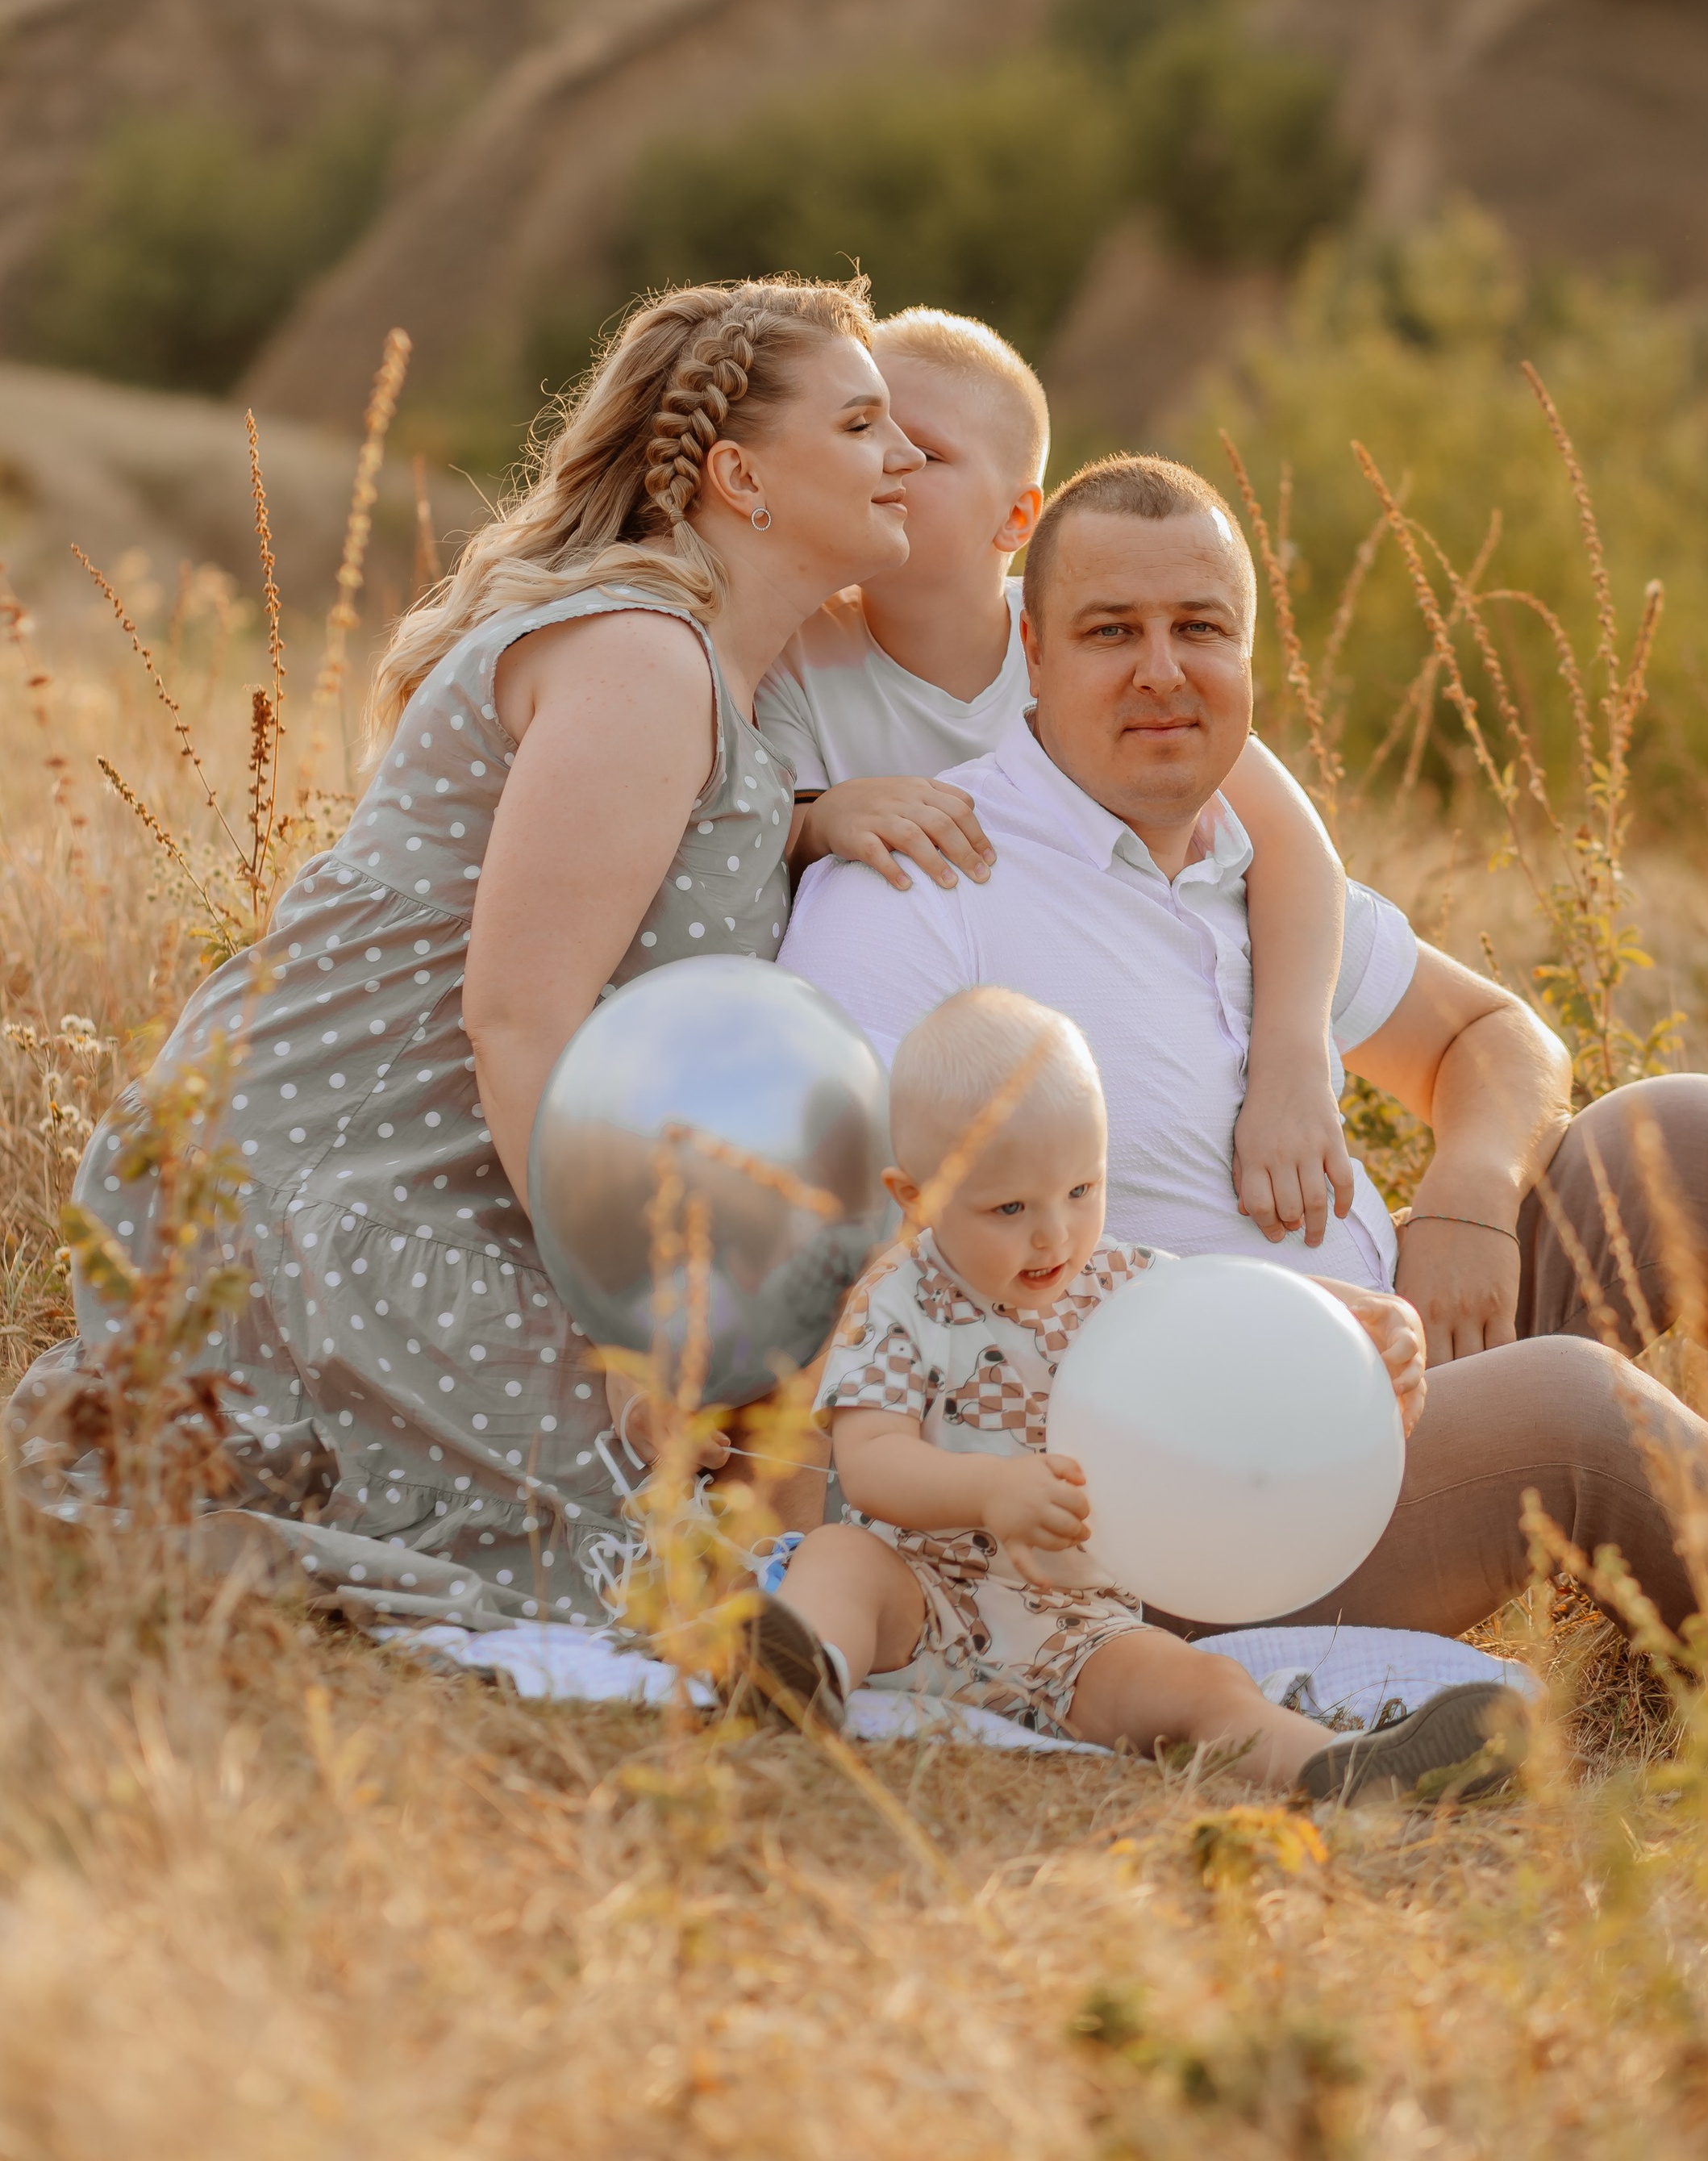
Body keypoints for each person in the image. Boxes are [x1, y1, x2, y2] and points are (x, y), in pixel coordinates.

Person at [780, 451, 1708, 1722]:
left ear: (1250, 656)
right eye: (1112, 631)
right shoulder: (925, 881)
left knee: (1695, 1137)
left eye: (1201, 629)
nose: (1163, 671)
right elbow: (856, 1244)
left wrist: (1464, 1194)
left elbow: (1497, 1039)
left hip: (1393, 1379)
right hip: (1173, 1505)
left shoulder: (1252, 872)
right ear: (1033, 654)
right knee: (1571, 1403)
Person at [13, 276, 923, 1629]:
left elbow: (640, 871)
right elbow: (520, 1014)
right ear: (741, 475)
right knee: (651, 1559)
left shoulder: (724, 682)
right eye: (863, 425)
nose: (903, 457)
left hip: (465, 1182)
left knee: (800, 1499)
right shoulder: (643, 656)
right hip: (325, 1183)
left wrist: (801, 825)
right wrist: (619, 1324)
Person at [750, 987, 1526, 1804]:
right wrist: (990, 1489)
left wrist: (1366, 1318)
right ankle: (800, 1674)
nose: (1054, 1234)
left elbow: (1243, 1301)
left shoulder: (1120, 1282)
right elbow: (869, 1464)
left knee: (1206, 1687)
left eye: (1081, 1191)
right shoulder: (897, 1298)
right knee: (836, 1561)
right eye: (1010, 1208)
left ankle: (1347, 1768)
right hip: (915, 1599)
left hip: (1078, 1635)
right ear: (915, 1199)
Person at [757, 307, 1371, 1255]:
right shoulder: (801, 650)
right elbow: (746, 824)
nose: (888, 464)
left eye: (919, 446)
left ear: (1016, 517)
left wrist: (1291, 1063)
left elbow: (1294, 850)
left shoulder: (1095, 638)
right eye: (861, 433)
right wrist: (819, 815)